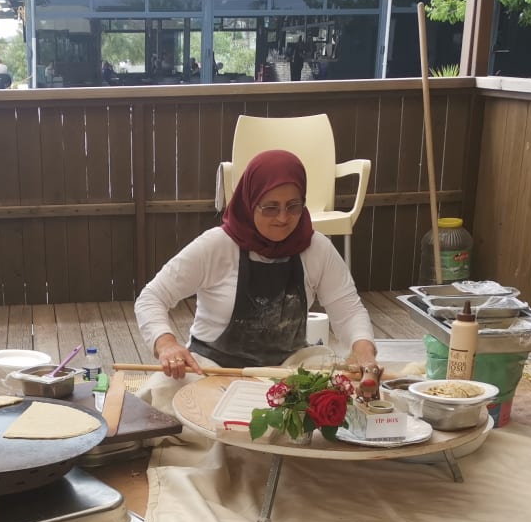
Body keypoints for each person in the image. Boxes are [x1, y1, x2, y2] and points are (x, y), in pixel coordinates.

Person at [135, 149, 379, 383]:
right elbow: (152, 297)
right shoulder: (216, 245)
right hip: (213, 367)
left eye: (293, 206)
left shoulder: (317, 248)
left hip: (288, 371)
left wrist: (363, 350)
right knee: (163, 392)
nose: (282, 217)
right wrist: (165, 343)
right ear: (249, 202)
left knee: (339, 391)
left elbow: (348, 312)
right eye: (270, 207)